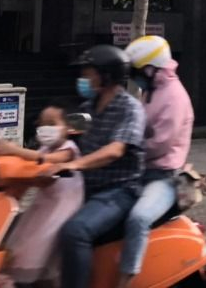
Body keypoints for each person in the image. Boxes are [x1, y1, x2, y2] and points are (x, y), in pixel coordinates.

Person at [55, 45, 146, 288]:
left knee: (76, 231)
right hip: (86, 188)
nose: (83, 78)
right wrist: (37, 159)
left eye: (89, 73)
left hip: (119, 191)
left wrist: (76, 164)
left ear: (107, 75)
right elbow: (70, 143)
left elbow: (115, 150)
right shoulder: (88, 108)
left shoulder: (130, 108)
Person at [117, 36, 196, 288]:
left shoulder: (174, 96)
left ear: (151, 69)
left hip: (164, 178)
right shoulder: (151, 92)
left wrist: (128, 150)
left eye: (137, 71)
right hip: (141, 172)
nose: (135, 77)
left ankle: (125, 278)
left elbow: (161, 142)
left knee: (139, 218)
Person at [0, 107, 83, 287]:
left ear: (67, 127)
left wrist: (15, 150)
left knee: (41, 246)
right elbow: (30, 164)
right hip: (43, 204)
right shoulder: (45, 147)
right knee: (20, 244)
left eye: (52, 123)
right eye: (43, 124)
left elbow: (46, 159)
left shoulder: (69, 149)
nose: (46, 128)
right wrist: (2, 153)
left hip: (63, 206)